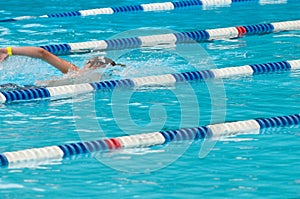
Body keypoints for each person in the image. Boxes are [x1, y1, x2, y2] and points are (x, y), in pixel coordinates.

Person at [0, 46, 125, 89]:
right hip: (36, 92)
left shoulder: (77, 72)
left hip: (28, 90)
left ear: (95, 65)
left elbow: (42, 53)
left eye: (88, 62)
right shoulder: (95, 81)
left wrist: (7, 51)